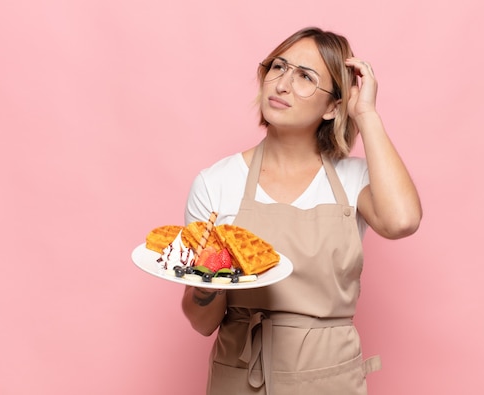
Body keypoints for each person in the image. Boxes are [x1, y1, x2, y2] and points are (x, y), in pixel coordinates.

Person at [181, 26, 422, 395]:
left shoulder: (353, 179)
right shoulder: (216, 183)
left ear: (332, 107)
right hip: (240, 374)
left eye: (305, 77)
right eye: (279, 67)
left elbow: (402, 221)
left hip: (329, 379)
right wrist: (206, 283)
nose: (281, 84)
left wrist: (367, 114)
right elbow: (201, 321)